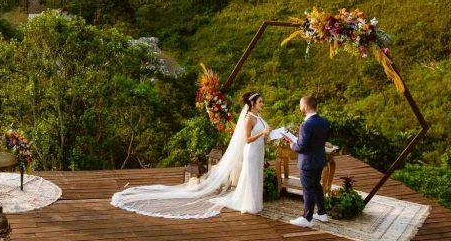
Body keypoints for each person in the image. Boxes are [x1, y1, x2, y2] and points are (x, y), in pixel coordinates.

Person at [110, 91, 272, 218]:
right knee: (250, 176)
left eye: (262, 102)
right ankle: (248, 204)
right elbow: (248, 139)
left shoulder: (259, 116)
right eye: (260, 102)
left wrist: (270, 134)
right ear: (252, 104)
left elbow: (264, 132)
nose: (262, 104)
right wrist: (262, 133)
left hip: (259, 151)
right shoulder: (249, 118)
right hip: (252, 151)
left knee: (257, 176)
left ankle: (256, 203)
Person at [289, 95, 330, 227]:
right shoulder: (324, 121)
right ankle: (322, 213)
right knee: (316, 185)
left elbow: (302, 147)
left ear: (306, 107)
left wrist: (292, 145)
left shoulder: (306, 125)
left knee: (308, 189)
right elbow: (319, 140)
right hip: (319, 160)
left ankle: (307, 218)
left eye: (301, 105)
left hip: (307, 162)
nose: (300, 107)